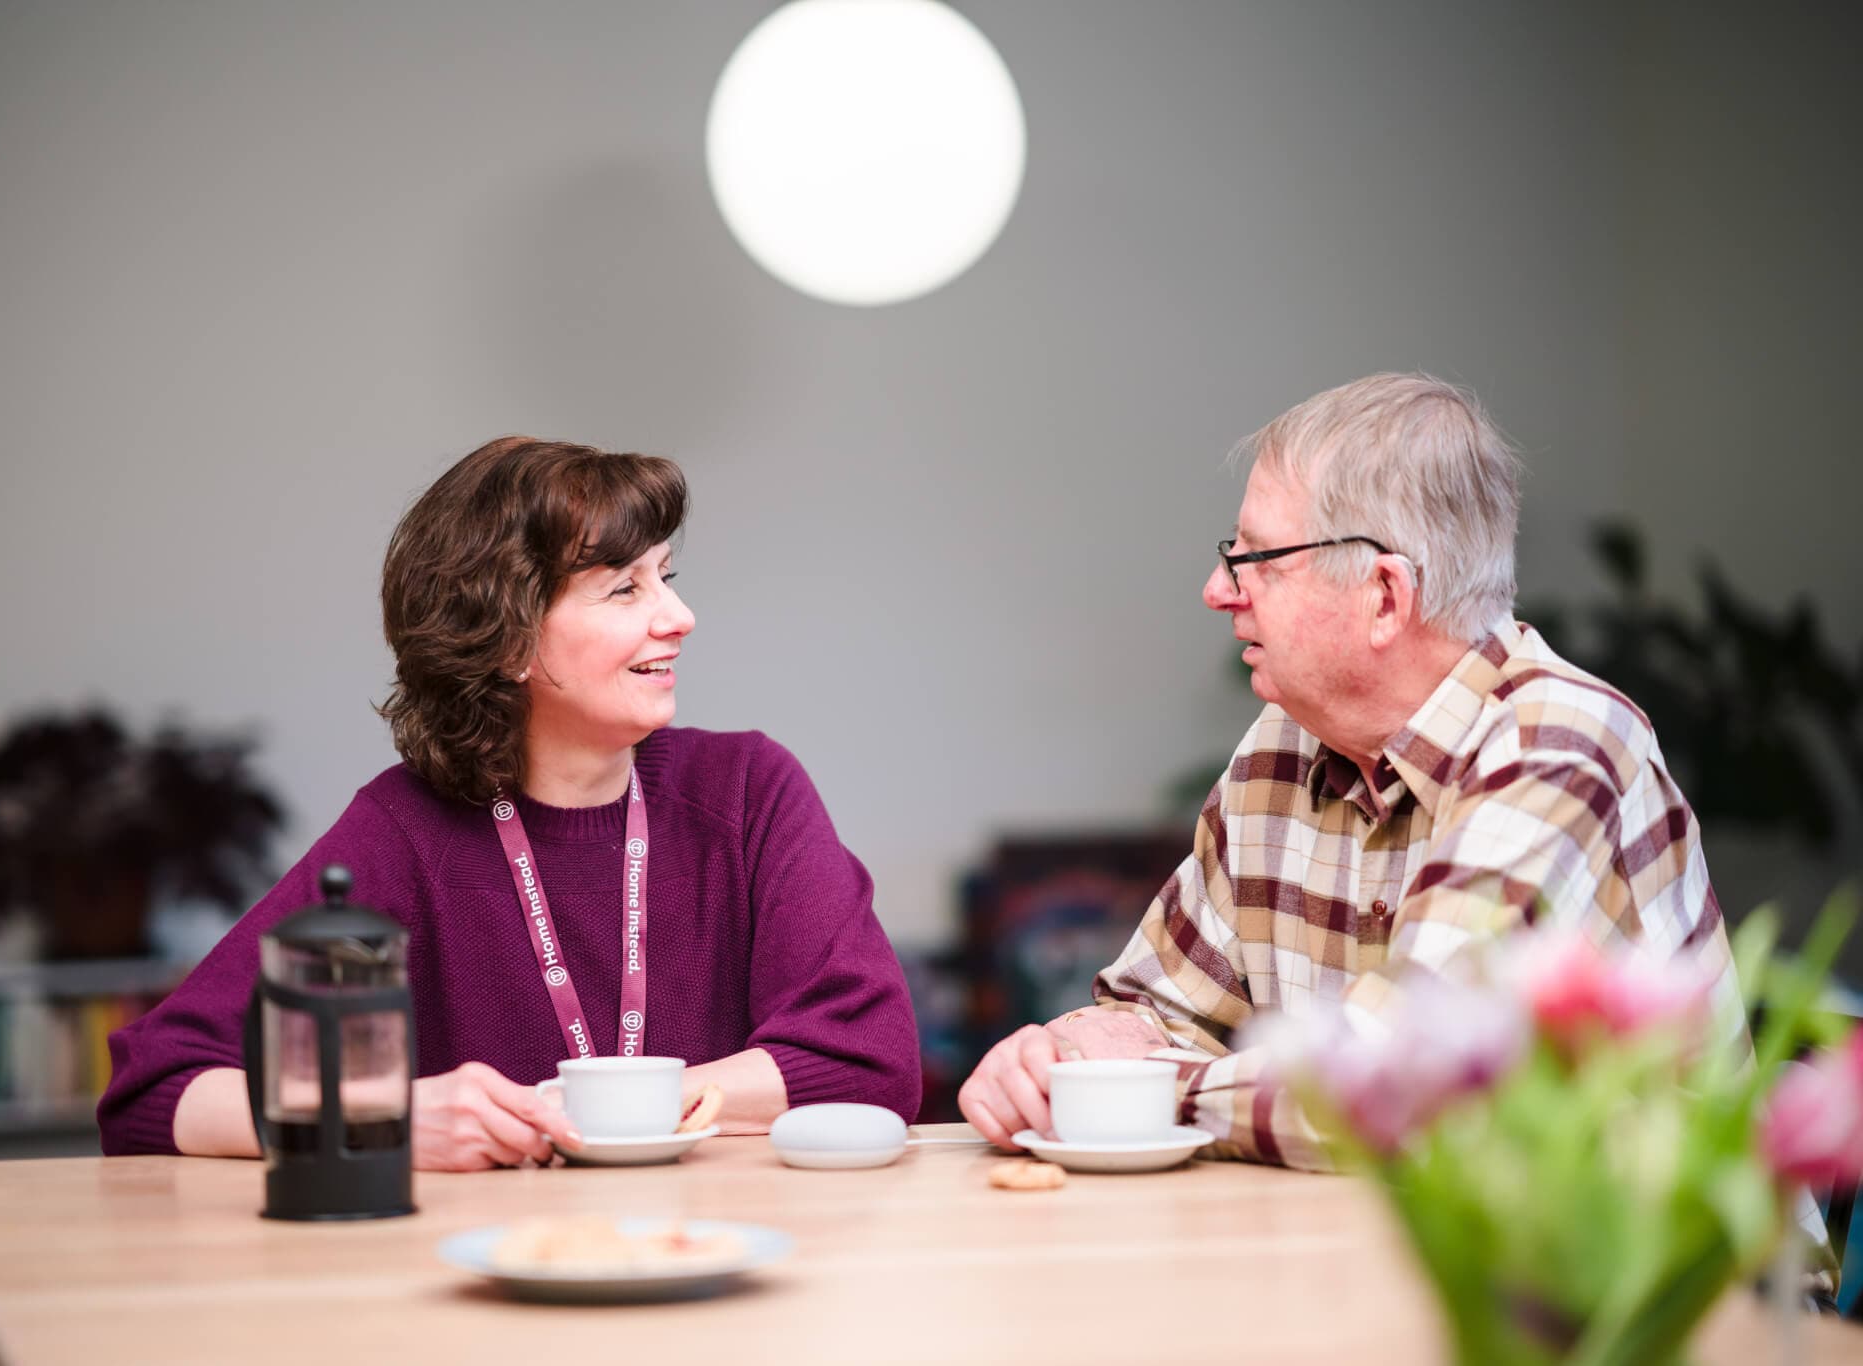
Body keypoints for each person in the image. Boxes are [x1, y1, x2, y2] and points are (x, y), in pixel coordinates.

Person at [958, 373, 1737, 1169]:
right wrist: (1058, 1057)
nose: (1218, 590)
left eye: (1258, 558)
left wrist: (1134, 1089)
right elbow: (1157, 1011)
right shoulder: (1282, 747)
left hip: (1652, 1248)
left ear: (1386, 597)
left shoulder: (1557, 745)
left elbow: (1400, 1084)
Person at [100, 437, 921, 1169]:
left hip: (718, 1256)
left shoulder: (746, 791)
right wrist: (380, 1118)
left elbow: (869, 1061)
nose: (680, 617)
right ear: (509, 638)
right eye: (624, 589)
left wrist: (607, 1109)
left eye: (665, 578)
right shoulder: (403, 832)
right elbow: (153, 1088)